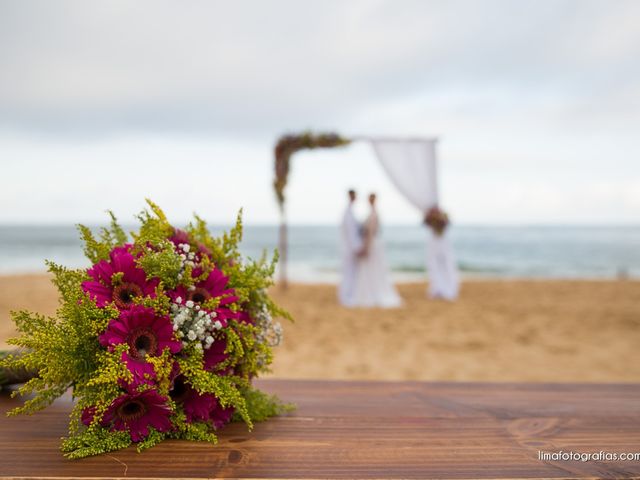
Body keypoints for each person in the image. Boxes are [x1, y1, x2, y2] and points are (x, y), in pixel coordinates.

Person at [352, 193, 402, 308]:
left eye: (371, 199)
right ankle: (371, 291)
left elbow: (370, 233)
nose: (370, 201)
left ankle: (371, 293)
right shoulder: (373, 213)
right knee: (373, 268)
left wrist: (366, 248)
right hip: (375, 244)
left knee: (372, 268)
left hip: (372, 244)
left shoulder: (374, 214)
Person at [338, 189, 363, 306]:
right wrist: (357, 248)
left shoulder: (349, 212)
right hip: (349, 249)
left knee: (350, 273)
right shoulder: (347, 213)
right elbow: (350, 233)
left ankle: (348, 295)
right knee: (349, 273)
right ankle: (346, 297)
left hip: (349, 248)